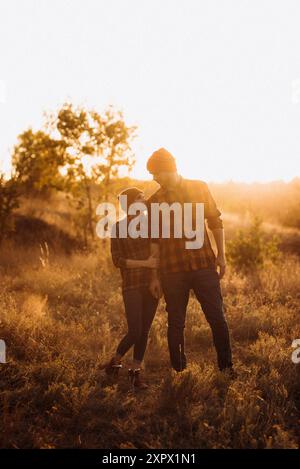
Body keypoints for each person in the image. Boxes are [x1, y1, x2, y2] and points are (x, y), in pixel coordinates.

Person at [146, 148, 234, 375]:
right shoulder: (154, 200)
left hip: (203, 265)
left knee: (217, 318)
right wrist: (154, 276)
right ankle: (179, 372)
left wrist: (221, 255)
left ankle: (226, 368)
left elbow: (215, 221)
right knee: (176, 322)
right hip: (172, 271)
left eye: (156, 173)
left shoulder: (199, 187)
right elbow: (154, 242)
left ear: (169, 169)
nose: (154, 178)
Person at [104, 187, 159, 389]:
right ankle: (114, 361)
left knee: (144, 331)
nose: (144, 201)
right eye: (139, 198)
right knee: (135, 331)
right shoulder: (118, 228)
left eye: (144, 198)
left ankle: (135, 374)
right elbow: (117, 260)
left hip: (151, 284)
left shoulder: (151, 226)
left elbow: (156, 256)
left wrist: (154, 277)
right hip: (132, 285)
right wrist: (145, 263)